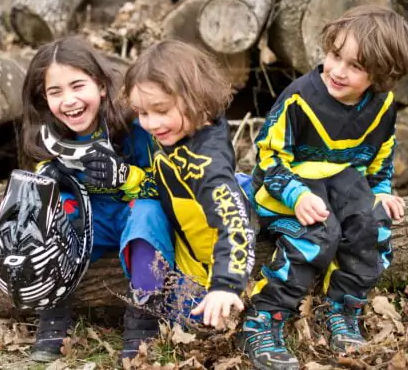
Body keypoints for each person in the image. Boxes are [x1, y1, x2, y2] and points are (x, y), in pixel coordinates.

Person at [244, 5, 408, 370]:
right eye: (335, 55)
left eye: (355, 66)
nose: (337, 71)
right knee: (319, 235)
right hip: (288, 188)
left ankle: (341, 309)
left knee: (372, 224)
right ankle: (264, 318)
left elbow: (381, 156)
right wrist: (297, 194)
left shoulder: (382, 106)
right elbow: (268, 158)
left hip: (343, 185)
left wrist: (382, 188)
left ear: (382, 74)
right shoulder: (299, 98)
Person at [19, 36, 175, 361]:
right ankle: (53, 312)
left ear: (101, 86)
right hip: (91, 224)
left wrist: (125, 176)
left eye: (78, 86)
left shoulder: (136, 125)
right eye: (55, 92)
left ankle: (143, 316)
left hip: (134, 220)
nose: (69, 100)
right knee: (46, 208)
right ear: (43, 98)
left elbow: (169, 187)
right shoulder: (50, 135)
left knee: (147, 211)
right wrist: (50, 177)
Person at [111, 38, 256, 329]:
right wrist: (126, 178)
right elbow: (164, 181)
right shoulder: (175, 132)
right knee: (145, 211)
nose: (151, 123)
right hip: (183, 239)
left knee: (196, 323)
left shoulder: (207, 164)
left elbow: (235, 224)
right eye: (142, 113)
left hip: (206, 272)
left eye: (161, 110)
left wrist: (225, 284)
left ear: (198, 99)